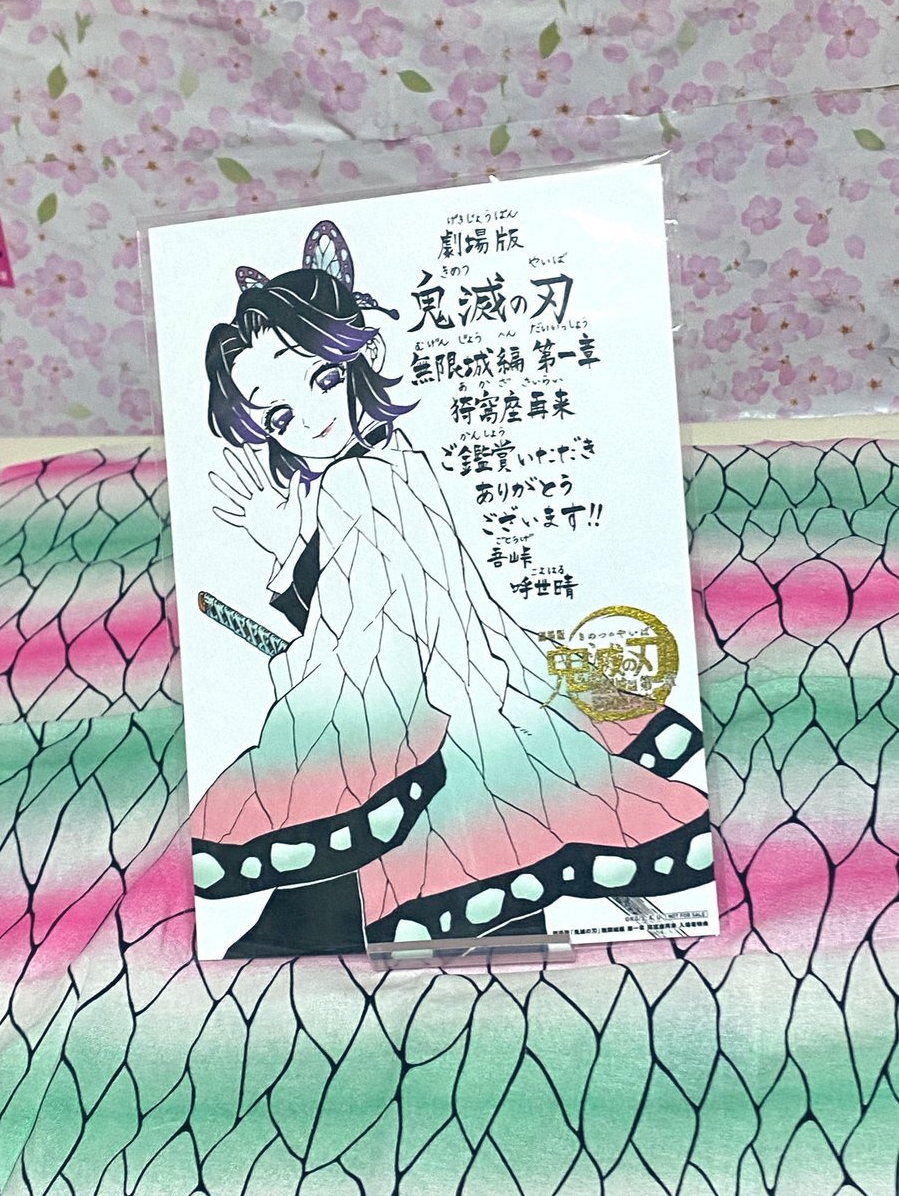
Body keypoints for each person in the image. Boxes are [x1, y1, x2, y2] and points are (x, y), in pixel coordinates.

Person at [191, 222, 712, 958]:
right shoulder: (393, 464)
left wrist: (286, 565)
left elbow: (370, 635)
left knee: (396, 898)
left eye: (323, 380)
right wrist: (290, 550)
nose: (309, 420)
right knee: (487, 890)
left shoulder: (358, 482)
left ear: (359, 356)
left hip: (422, 736)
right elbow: (375, 607)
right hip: (467, 722)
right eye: (277, 417)